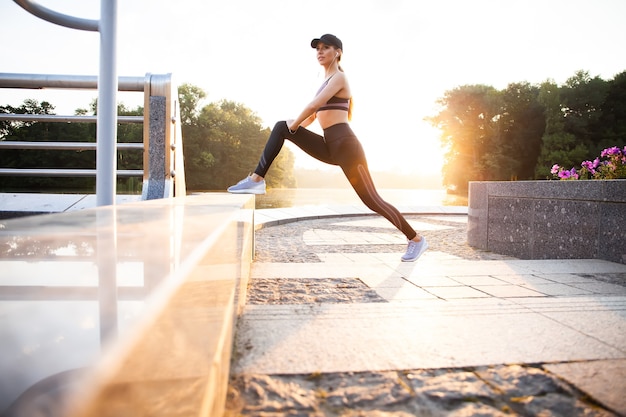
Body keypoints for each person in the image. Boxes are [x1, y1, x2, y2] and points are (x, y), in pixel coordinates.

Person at [228, 34, 428, 262]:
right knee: (281, 127)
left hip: (348, 148)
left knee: (373, 200)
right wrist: (290, 130)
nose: (320, 52)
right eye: (317, 49)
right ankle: (256, 179)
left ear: (338, 52)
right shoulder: (326, 82)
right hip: (329, 146)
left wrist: (291, 126)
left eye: (326, 48)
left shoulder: (340, 78)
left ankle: (416, 240)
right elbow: (312, 116)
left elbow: (313, 105)